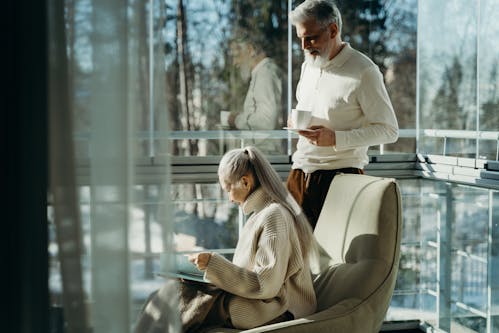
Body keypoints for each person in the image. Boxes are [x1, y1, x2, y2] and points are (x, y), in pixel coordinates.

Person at [134, 146, 316, 332]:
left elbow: (265, 285)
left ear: (245, 182)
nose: (229, 198)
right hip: (260, 302)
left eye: (228, 189)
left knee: (177, 299)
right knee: (169, 294)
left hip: (278, 309)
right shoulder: (261, 215)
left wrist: (214, 265)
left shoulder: (274, 216)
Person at [286, 0, 399, 229]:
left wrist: (336, 138)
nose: (304, 46)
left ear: (333, 30)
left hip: (340, 179)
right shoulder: (308, 66)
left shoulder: (364, 71)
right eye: (300, 38)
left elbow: (389, 130)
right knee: (290, 258)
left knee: (330, 261)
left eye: (311, 37)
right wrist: (296, 122)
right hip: (298, 174)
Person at [227, 36, 284, 153]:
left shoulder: (265, 74)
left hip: (266, 156)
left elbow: (267, 120)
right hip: (263, 155)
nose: (235, 63)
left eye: (236, 56)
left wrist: (237, 120)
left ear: (250, 50)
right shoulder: (261, 74)